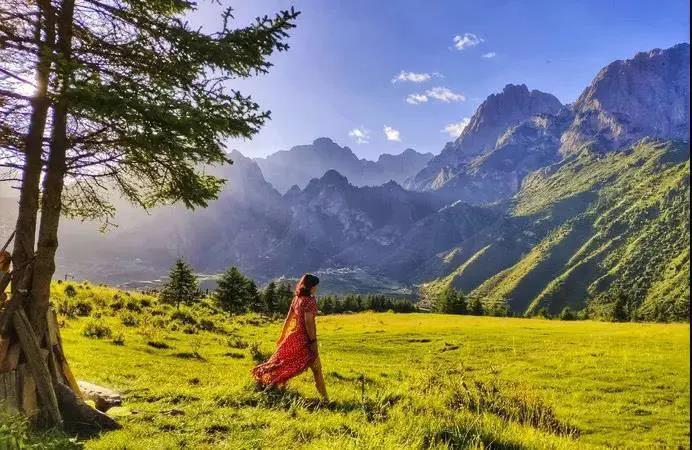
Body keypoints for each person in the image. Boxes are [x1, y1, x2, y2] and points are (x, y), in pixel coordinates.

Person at [251, 273, 328, 401]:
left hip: (293, 336)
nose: (316, 288)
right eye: (315, 286)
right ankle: (326, 400)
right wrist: (313, 341)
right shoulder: (310, 301)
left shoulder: (296, 299)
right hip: (305, 340)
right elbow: (308, 322)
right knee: (317, 370)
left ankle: (271, 385)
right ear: (311, 286)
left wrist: (282, 336)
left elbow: (288, 319)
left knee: (284, 362)